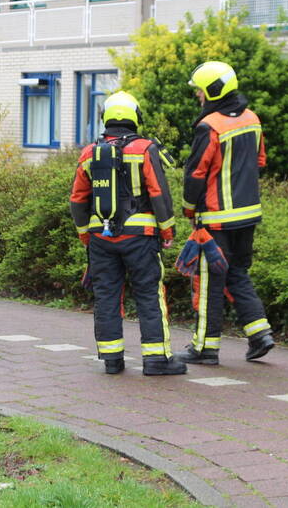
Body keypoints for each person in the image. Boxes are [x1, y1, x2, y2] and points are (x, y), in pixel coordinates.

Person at [69, 91, 187, 376]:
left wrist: (86, 234)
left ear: (105, 118)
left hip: (101, 238)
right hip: (141, 237)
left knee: (107, 295)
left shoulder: (89, 153)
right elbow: (159, 193)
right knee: (148, 293)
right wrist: (167, 230)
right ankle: (156, 359)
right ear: (135, 116)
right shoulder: (146, 149)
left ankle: (112, 360)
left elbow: (77, 199)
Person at [178, 61, 274, 366]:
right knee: (237, 273)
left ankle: (205, 348)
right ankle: (260, 335)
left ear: (212, 91)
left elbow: (196, 174)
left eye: (200, 91)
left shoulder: (210, 126)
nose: (198, 97)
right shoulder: (252, 119)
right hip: (248, 215)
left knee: (209, 283)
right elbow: (260, 161)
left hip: (217, 218)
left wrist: (190, 209)